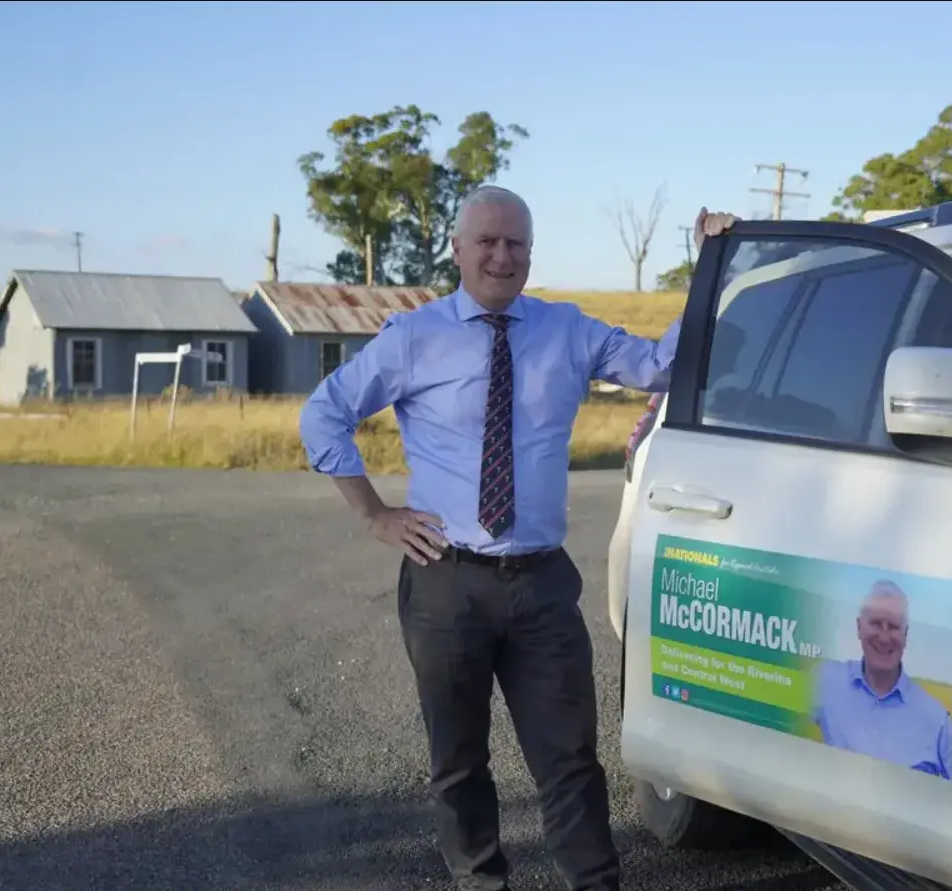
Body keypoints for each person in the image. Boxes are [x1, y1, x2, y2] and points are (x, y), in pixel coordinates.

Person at [298, 186, 738, 891]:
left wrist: (709, 264)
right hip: (446, 578)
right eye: (487, 242)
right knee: (458, 759)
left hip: (540, 584)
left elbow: (660, 366)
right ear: (457, 249)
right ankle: (479, 879)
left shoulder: (566, 331)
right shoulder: (414, 338)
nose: (502, 256)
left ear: (530, 252)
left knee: (569, 759)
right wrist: (375, 515)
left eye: (516, 244)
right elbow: (324, 414)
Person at [810, 580, 952, 781]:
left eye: (894, 627)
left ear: (905, 635)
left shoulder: (937, 721)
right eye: (876, 623)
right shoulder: (826, 680)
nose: (884, 637)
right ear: (859, 627)